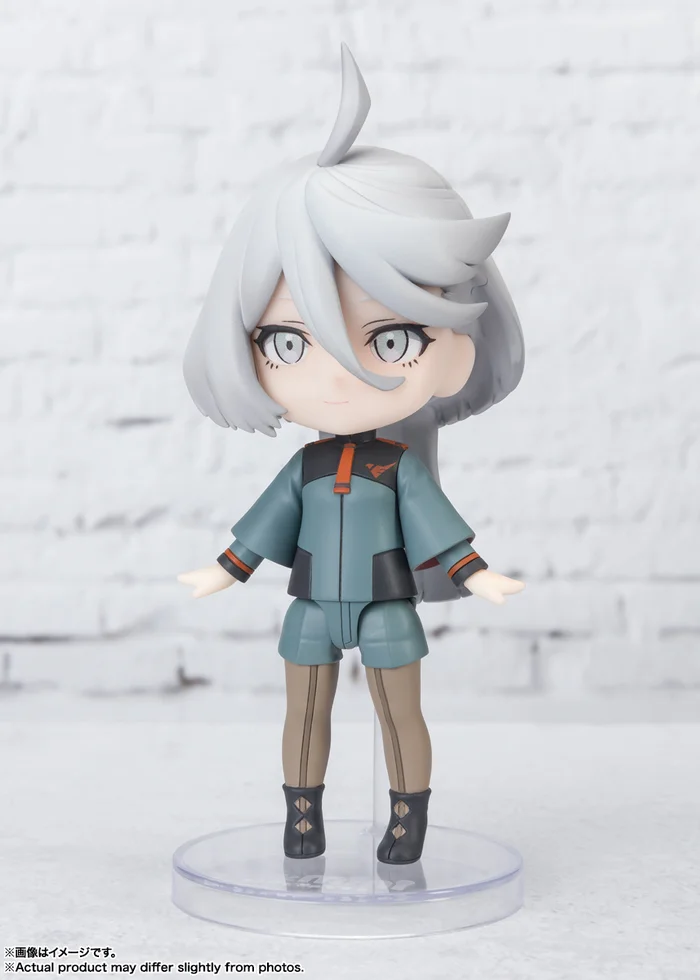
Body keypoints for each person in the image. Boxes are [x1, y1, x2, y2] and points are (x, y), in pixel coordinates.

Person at [178, 45, 525, 865]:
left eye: (391, 338)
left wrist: (477, 573)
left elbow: (437, 528)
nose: (338, 378)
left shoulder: (396, 470)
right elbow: (264, 527)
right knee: (304, 713)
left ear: (453, 349)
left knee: (398, 715)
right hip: (309, 605)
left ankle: (407, 818)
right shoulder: (304, 470)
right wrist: (224, 569)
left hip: (386, 605)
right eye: (288, 342)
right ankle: (303, 816)